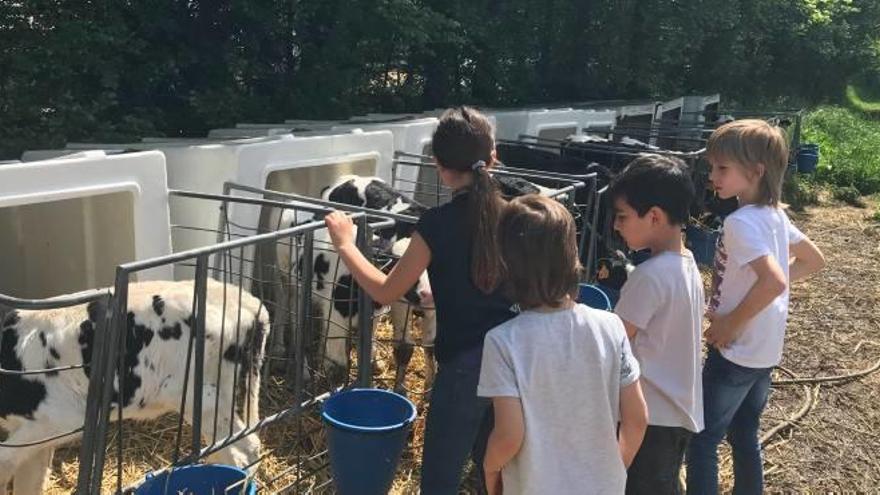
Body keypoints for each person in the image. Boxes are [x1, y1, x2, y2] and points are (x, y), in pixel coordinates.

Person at [324, 106, 517, 494]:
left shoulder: (435, 224)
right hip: (516, 358)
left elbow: (385, 291)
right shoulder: (518, 214)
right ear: (493, 156)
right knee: (496, 469)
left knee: (440, 480)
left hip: (464, 367)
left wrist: (346, 244)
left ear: (439, 167)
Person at [686, 120, 826, 494]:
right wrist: (765, 292)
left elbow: (775, 280)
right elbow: (813, 261)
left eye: (722, 168)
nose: (712, 175)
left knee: (702, 439)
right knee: (744, 433)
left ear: (756, 171)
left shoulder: (740, 222)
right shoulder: (775, 216)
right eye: (712, 166)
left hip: (735, 351)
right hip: (765, 353)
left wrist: (731, 321)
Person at [477, 194, 648, 495]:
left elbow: (509, 435)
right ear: (572, 257)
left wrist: (490, 469)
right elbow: (636, 419)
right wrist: (613, 471)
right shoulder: (610, 326)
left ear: (506, 263)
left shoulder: (503, 342)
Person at [608, 154, 705, 494]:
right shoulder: (686, 262)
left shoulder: (650, 276)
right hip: (677, 412)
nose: (616, 226)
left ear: (654, 216)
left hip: (649, 417)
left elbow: (613, 344)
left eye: (622, 217)